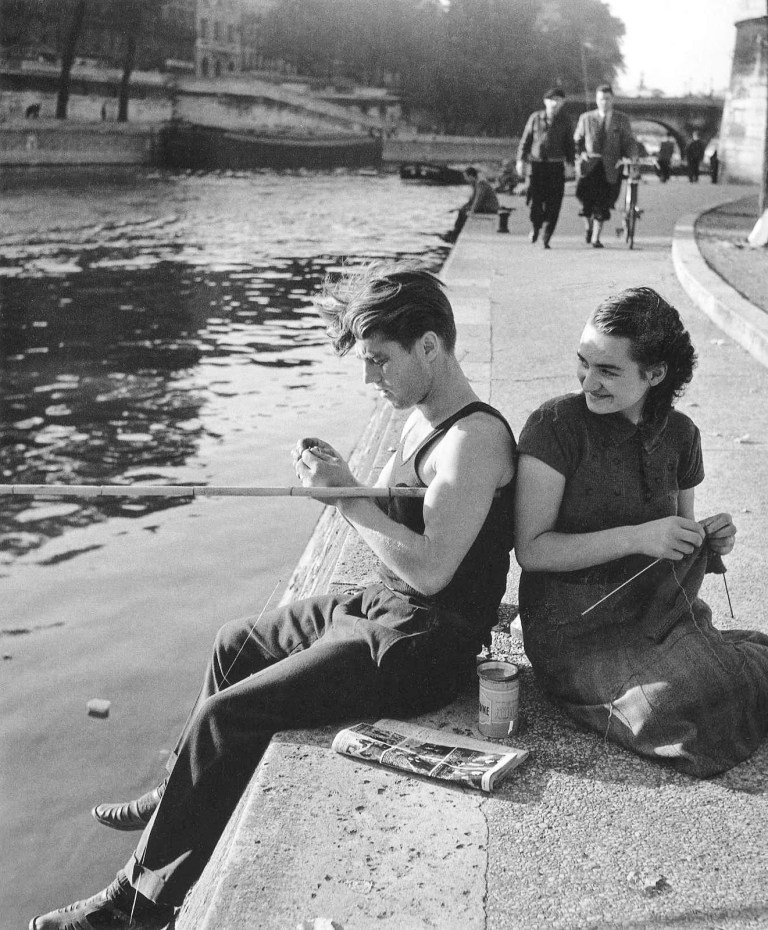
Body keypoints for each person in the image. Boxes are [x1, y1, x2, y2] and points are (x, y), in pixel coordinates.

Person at [30, 261, 517, 929]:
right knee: (234, 643)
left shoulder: (474, 439)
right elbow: (401, 521)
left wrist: (345, 498)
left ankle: (132, 907)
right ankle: (179, 791)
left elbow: (433, 570)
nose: (369, 377)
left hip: (426, 643)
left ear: (430, 345)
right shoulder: (418, 414)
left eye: (379, 361)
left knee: (228, 717)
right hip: (386, 605)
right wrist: (345, 481)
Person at [514, 286, 768, 778]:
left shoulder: (682, 435)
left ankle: (725, 662)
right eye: (583, 362)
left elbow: (675, 538)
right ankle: (730, 663)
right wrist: (638, 536)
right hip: (574, 633)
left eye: (608, 370)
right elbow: (532, 550)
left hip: (658, 614)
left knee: (709, 688)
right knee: (667, 709)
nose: (589, 381)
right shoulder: (555, 425)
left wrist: (708, 537)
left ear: (655, 374)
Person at [574, 84, 638, 249]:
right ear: (596, 100)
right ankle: (588, 227)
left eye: (607, 99)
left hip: (610, 167)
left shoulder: (621, 119)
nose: (604, 102)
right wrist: (580, 154)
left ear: (613, 99)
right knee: (584, 200)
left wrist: (632, 157)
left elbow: (629, 141)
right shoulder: (586, 118)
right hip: (589, 166)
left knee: (603, 202)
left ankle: (596, 236)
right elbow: (577, 141)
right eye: (601, 99)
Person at [515, 86, 575, 249]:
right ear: (545, 102)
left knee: (554, 202)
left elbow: (570, 144)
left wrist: (571, 164)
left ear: (562, 103)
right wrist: (520, 160)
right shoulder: (535, 118)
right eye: (551, 100)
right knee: (534, 199)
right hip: (536, 165)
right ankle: (535, 226)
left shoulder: (566, 121)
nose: (554, 104)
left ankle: (546, 236)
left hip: (555, 166)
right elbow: (525, 140)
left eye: (558, 100)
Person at [444, 166, 499, 242]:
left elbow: (478, 199)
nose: (465, 179)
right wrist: (461, 208)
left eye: (466, 177)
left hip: (490, 208)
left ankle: (455, 234)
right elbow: (472, 200)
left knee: (463, 213)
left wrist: (472, 211)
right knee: (462, 211)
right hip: (486, 206)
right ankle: (455, 232)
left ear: (471, 176)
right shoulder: (477, 184)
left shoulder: (481, 184)